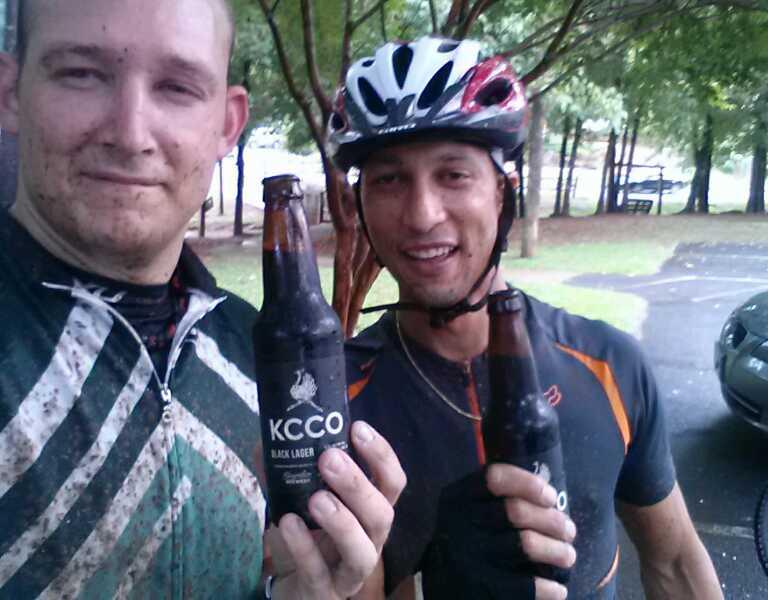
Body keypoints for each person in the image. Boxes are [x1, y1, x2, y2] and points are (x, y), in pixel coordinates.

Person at [0, 0, 404, 598]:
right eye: (82, 73)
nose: (130, 133)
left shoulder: (254, 349)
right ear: (10, 92)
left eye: (177, 87)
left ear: (227, 123)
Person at [329, 36, 724, 599]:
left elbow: (676, 562)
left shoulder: (609, 365)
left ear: (502, 193)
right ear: (361, 204)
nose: (421, 215)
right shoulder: (336, 404)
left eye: (453, 174)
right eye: (389, 179)